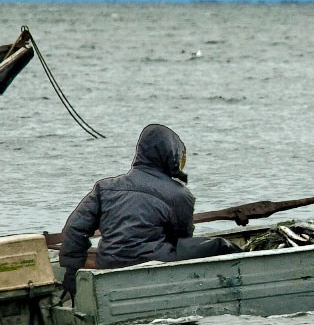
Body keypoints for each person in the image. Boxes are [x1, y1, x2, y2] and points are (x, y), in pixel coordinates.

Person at [57, 124, 240, 291]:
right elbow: (182, 238)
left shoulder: (104, 188)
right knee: (219, 245)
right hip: (154, 264)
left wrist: (72, 274)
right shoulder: (180, 195)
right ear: (172, 156)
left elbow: (74, 230)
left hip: (108, 264)